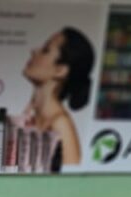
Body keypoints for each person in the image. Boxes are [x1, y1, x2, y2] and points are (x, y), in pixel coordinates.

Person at [22, 27, 95, 168]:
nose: (34, 51)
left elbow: (70, 181)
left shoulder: (61, 125)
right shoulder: (30, 114)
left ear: (60, 70)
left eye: (45, 50)